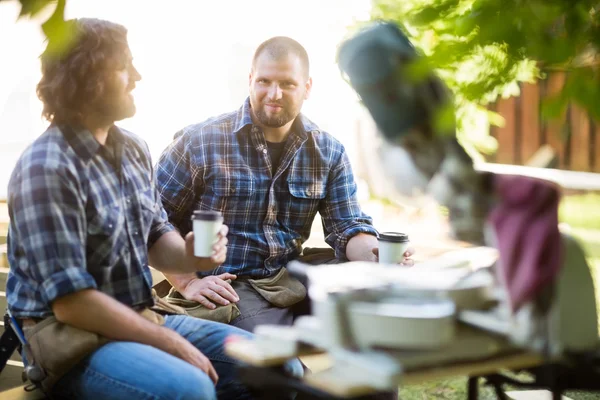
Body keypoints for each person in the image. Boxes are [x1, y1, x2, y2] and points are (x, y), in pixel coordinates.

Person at [6, 18, 301, 400]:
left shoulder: (132, 149)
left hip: (140, 315)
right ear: (88, 76)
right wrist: (169, 341)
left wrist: (193, 254)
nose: (137, 76)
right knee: (189, 388)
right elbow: (72, 304)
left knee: (280, 366)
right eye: (124, 65)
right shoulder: (46, 168)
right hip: (71, 340)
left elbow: (156, 237)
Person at [155, 36, 414, 334]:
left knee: (376, 319)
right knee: (276, 362)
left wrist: (376, 254)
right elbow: (152, 220)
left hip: (292, 276)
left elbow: (347, 226)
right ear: (251, 80)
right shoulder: (200, 141)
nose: (274, 94)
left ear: (307, 87)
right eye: (264, 81)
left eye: (287, 84)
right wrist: (188, 281)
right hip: (230, 285)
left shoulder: (328, 151)